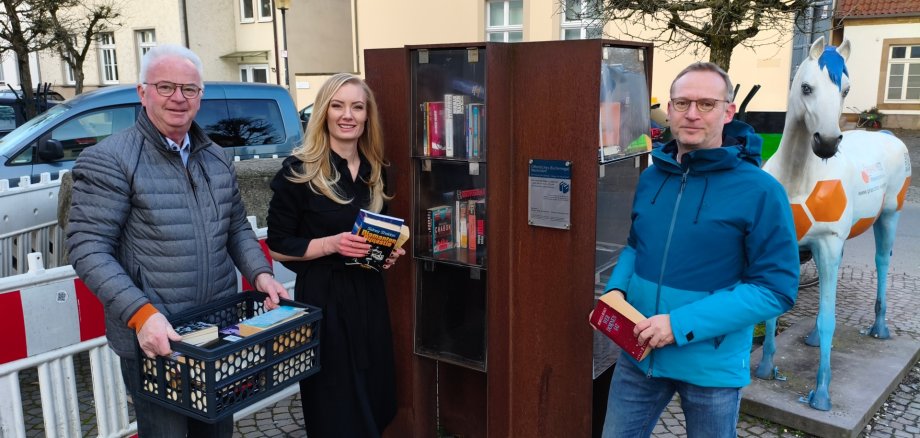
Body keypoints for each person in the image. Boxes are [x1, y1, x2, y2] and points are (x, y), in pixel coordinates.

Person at [66, 44, 288, 437]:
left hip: (217, 331)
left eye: (189, 89)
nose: (178, 98)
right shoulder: (112, 159)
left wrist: (261, 275)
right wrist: (141, 315)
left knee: (216, 432)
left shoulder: (216, 157)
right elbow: (88, 247)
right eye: (166, 86)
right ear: (142, 92)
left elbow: (236, 226)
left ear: (200, 96)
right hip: (156, 337)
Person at [596, 62, 799, 438]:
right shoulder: (652, 177)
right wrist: (615, 293)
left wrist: (678, 325)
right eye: (682, 103)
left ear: (728, 111)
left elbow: (776, 288)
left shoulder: (761, 191)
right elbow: (636, 245)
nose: (692, 114)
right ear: (668, 109)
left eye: (706, 104)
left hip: (712, 365)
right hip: (639, 356)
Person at [266, 72, 403, 437]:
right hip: (324, 300)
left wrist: (383, 253)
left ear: (367, 115)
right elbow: (278, 245)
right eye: (338, 105)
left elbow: (372, 233)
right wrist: (331, 244)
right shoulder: (299, 171)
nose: (348, 115)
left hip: (369, 294)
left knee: (376, 393)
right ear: (323, 113)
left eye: (357, 107)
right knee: (336, 405)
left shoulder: (377, 170)